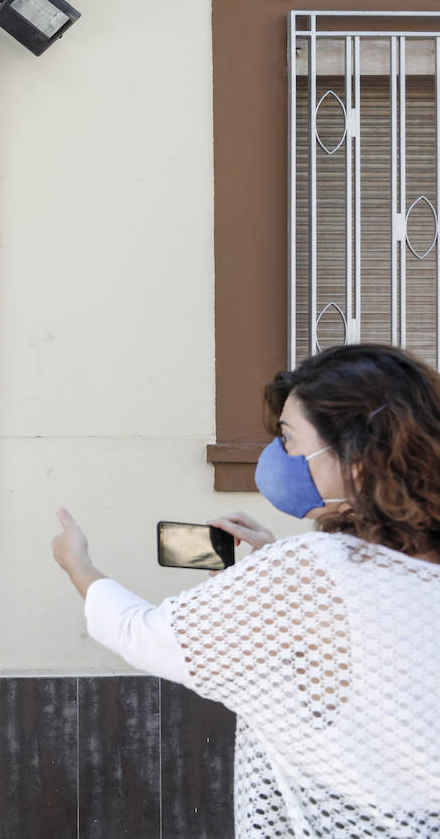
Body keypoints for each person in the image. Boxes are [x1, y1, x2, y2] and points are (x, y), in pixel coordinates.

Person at [51, 344, 440, 837]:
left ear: (356, 459)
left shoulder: (307, 571)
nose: (278, 457)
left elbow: (141, 633)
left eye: (289, 439)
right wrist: (273, 571)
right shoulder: (381, 573)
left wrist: (77, 563)